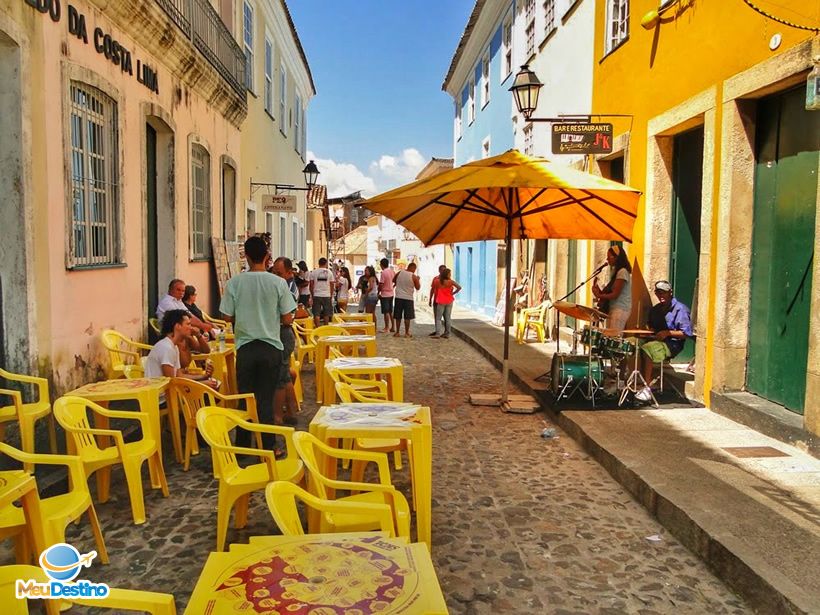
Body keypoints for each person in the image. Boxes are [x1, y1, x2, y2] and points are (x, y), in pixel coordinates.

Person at [219, 236, 296, 451]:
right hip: (270, 346)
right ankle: (268, 446)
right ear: (267, 256)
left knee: (245, 398)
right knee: (265, 398)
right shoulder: (278, 283)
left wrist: (242, 317)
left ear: (247, 257)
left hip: (245, 347)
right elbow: (288, 317)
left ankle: (243, 446)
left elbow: (226, 316)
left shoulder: (234, 282)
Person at [636, 280, 693, 402]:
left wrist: (667, 333)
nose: (661, 296)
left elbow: (686, 333)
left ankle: (647, 387)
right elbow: (651, 327)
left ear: (670, 293)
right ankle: (633, 380)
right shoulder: (656, 309)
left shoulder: (680, 309)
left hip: (672, 344)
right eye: (658, 293)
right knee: (632, 343)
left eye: (663, 293)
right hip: (656, 340)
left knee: (648, 349)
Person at [145, 309, 215, 385]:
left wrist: (203, 376)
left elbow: (179, 375)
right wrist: (204, 384)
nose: (191, 328)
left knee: (213, 384)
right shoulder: (166, 348)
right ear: (178, 326)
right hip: (161, 395)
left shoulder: (173, 346)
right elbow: (172, 382)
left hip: (170, 391)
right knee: (209, 387)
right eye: (188, 324)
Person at [272, 256, 300, 427]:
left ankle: (279, 417)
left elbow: (287, 317)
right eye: (274, 272)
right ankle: (291, 410)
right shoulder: (282, 284)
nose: (275, 276)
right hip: (281, 332)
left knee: (281, 377)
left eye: (279, 273)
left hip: (283, 332)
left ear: (289, 272)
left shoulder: (288, 288)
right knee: (285, 375)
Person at [592, 245, 632, 332]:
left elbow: (615, 294)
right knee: (610, 335)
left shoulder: (622, 272)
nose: (607, 259)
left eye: (609, 257)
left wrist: (599, 295)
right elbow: (611, 291)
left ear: (617, 258)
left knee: (613, 335)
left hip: (620, 309)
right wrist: (598, 291)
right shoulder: (616, 272)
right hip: (614, 308)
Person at [432, 268, 461, 339]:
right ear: (447, 274)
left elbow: (434, 289)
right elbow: (459, 287)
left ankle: (438, 333)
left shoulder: (437, 281)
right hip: (449, 300)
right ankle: (447, 333)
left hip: (441, 301)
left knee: (438, 318)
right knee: (447, 318)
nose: (450, 275)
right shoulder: (451, 282)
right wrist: (453, 293)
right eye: (449, 273)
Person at [392, 262, 420, 338]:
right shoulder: (413, 276)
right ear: (413, 268)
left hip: (398, 297)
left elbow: (393, 280)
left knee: (398, 316)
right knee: (407, 317)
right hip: (408, 298)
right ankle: (406, 333)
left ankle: (397, 332)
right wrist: (418, 279)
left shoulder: (400, 273)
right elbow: (418, 287)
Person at [309, 257, 335, 327]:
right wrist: (331, 294)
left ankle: (317, 328)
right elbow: (332, 284)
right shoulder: (329, 272)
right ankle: (326, 327)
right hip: (326, 295)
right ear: (326, 263)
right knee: (326, 313)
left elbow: (311, 284)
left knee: (316, 313)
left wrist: (312, 294)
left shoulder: (314, 272)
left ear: (319, 263)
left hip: (316, 294)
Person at [378, 258, 395, 333]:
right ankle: (393, 327)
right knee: (390, 311)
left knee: (386, 312)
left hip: (384, 294)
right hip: (391, 293)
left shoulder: (383, 273)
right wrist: (392, 287)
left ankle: (386, 327)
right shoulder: (392, 271)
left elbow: (381, 284)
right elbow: (395, 281)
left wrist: (378, 292)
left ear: (381, 265)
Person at [428, 264, 447, 337]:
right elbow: (432, 289)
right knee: (437, 317)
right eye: (442, 270)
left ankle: (446, 332)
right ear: (439, 270)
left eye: (444, 270)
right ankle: (437, 331)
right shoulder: (436, 279)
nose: (443, 271)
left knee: (446, 317)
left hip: (445, 301)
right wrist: (430, 299)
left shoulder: (448, 280)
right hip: (436, 300)